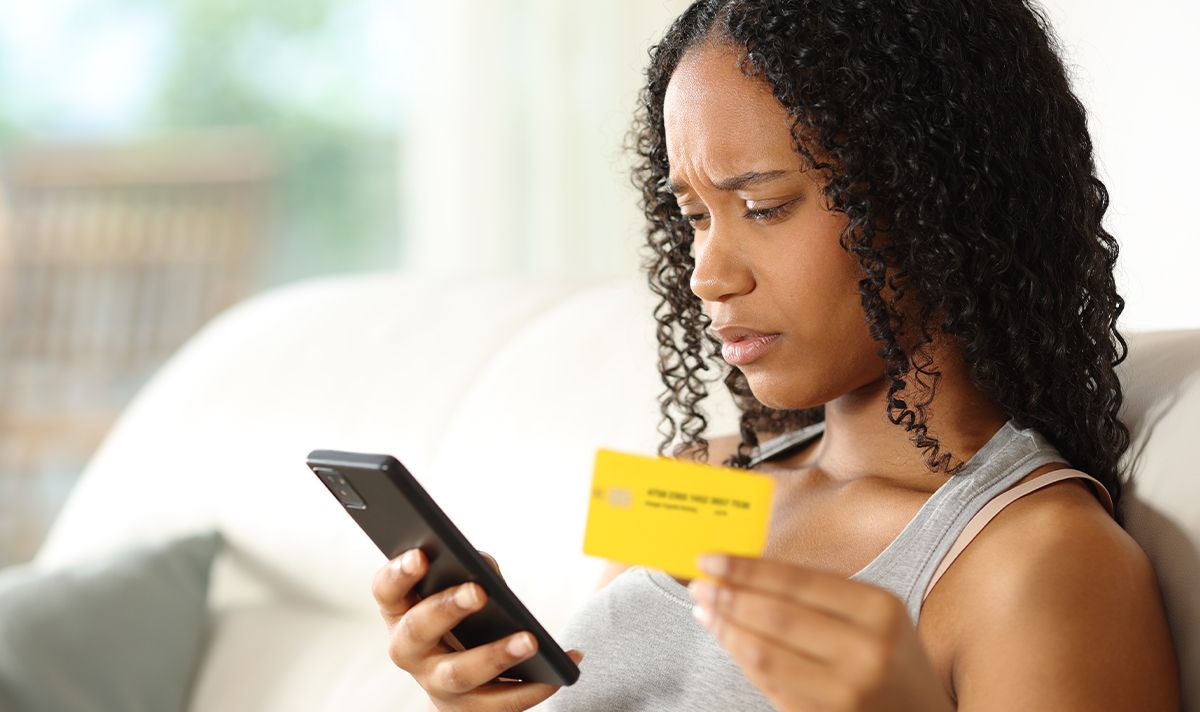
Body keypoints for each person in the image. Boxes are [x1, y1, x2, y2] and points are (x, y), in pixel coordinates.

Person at [371, 0, 1180, 709]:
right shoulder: (696, 479)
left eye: (763, 205)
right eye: (693, 216)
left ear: (933, 197)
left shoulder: (1036, 560)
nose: (707, 275)